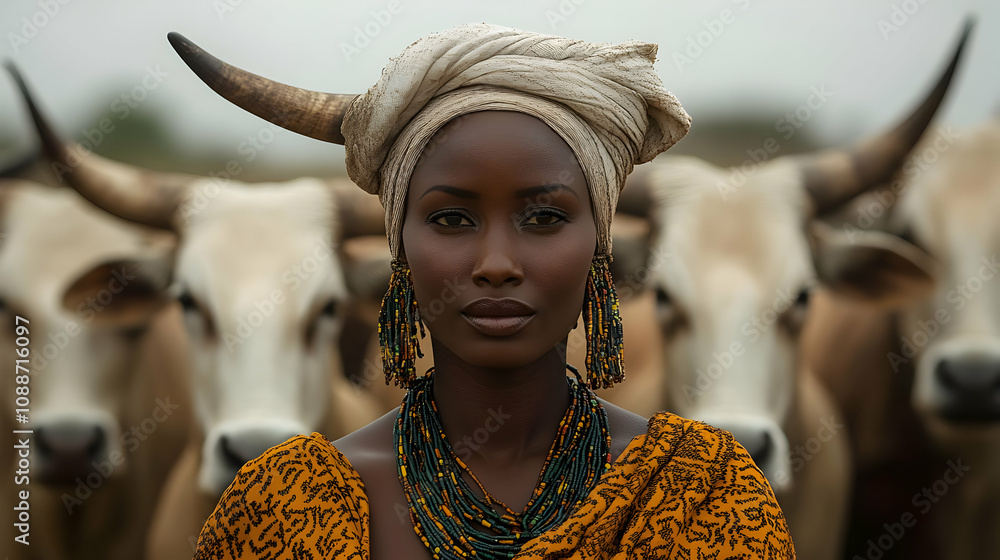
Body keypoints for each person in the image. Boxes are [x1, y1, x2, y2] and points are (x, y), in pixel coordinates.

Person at [169, 23, 796, 559]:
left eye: (545, 217)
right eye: (451, 219)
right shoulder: (279, 508)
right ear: (399, 250)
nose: (496, 263)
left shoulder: (707, 494)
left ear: (602, 248)